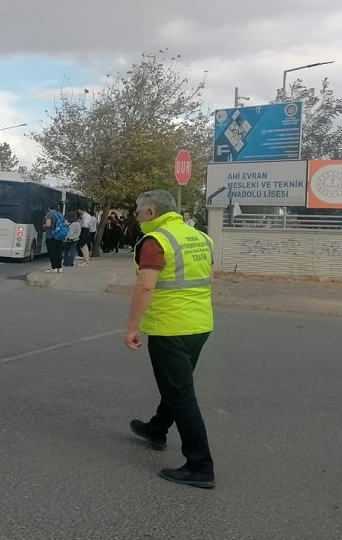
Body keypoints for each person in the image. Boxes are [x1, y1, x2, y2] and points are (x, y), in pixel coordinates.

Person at [123, 189, 216, 489]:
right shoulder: (199, 237)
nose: (137, 219)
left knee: (180, 394)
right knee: (178, 384)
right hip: (200, 324)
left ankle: (200, 466)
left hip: (170, 328)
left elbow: (145, 288)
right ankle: (157, 428)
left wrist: (132, 328)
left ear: (151, 213)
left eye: (138, 213)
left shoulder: (156, 241)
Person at [42, 202, 64, 273]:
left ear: (49, 207)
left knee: (52, 252)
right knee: (58, 251)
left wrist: (43, 225)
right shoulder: (60, 214)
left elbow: (48, 224)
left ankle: (54, 267)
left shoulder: (49, 214)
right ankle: (59, 267)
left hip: (51, 235)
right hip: (60, 235)